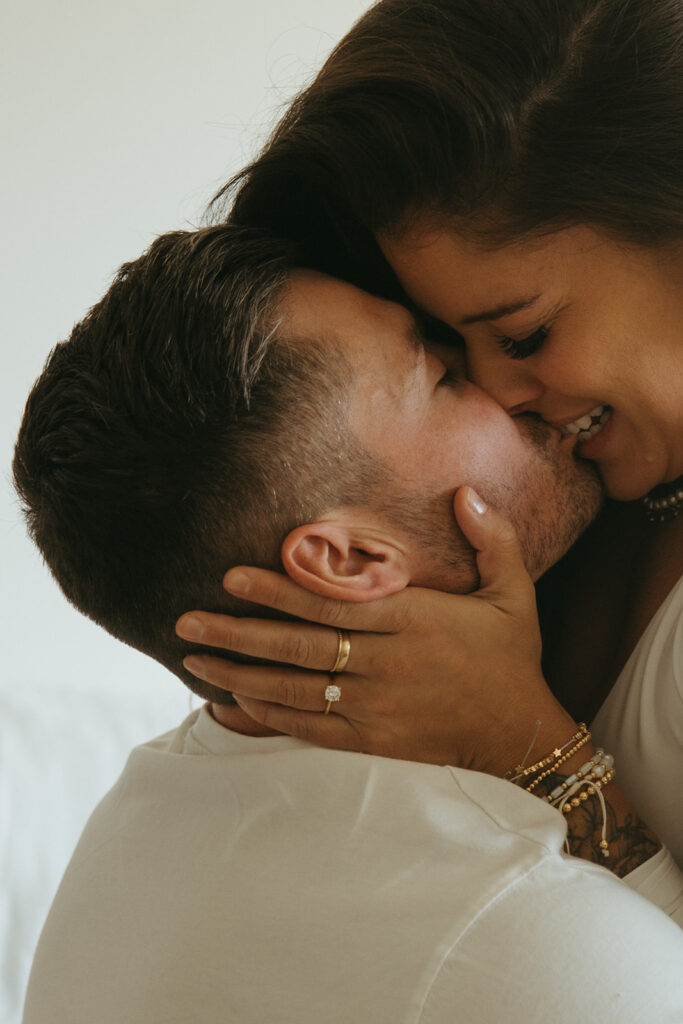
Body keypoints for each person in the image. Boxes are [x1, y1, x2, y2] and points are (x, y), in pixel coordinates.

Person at [15, 225, 683, 1023]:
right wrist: (544, 756)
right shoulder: (528, 928)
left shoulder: (121, 849)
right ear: (350, 561)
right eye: (437, 375)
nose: (500, 384)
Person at [180, 0, 683, 870]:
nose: (492, 392)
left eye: (525, 336)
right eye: (447, 346)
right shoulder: (537, 520)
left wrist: (528, 748)